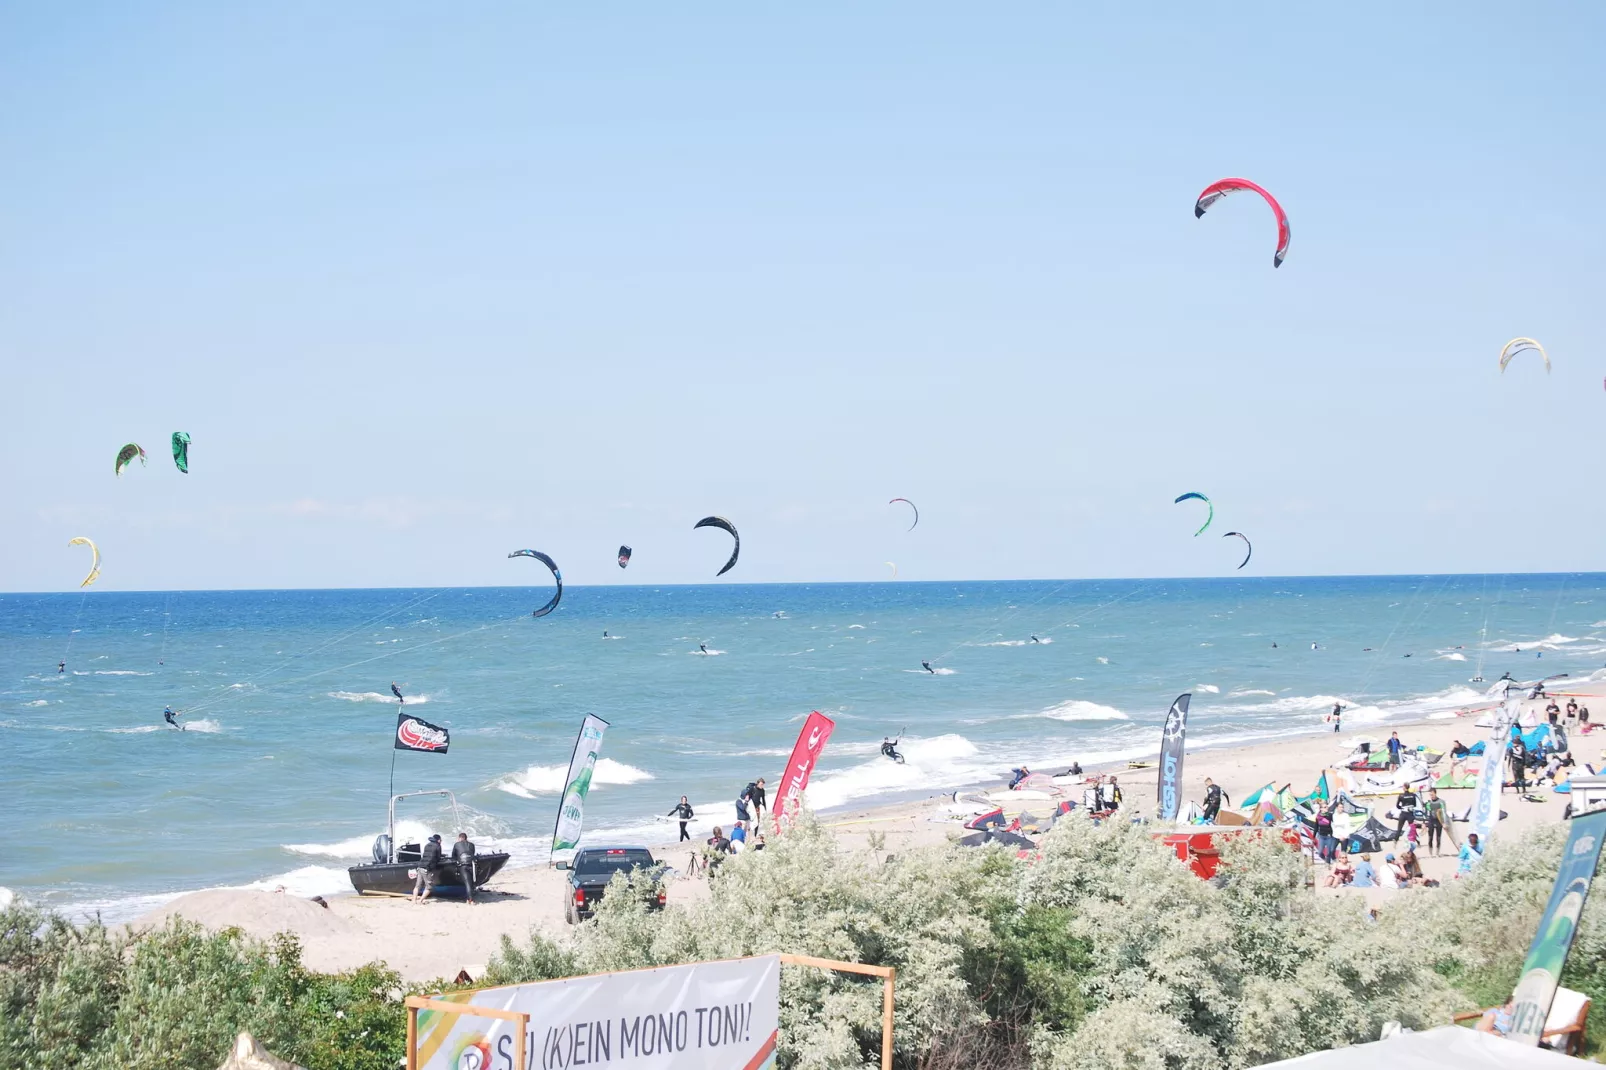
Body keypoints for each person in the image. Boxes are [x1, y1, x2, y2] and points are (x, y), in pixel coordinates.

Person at [411, 834, 443, 904]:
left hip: (420, 866)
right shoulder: (438, 846)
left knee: (417, 885)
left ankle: (414, 900)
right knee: (429, 887)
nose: (441, 841)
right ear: (438, 840)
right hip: (427, 868)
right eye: (440, 840)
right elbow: (438, 858)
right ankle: (420, 900)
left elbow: (426, 855)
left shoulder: (427, 845)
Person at [1423, 788, 1453, 855]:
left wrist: (1444, 823)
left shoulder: (1441, 802)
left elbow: (1444, 813)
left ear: (1435, 793)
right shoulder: (1429, 803)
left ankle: (1437, 853)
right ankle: (1430, 853)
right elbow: (1426, 814)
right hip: (1431, 820)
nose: (1431, 796)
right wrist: (1424, 823)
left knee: (1438, 837)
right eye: (1430, 795)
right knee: (1430, 837)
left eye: (1432, 794)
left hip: (1439, 820)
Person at [451, 832, 477, 904]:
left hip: (462, 866)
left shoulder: (456, 844)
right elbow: (472, 853)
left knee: (467, 883)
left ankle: (470, 900)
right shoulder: (472, 845)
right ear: (466, 838)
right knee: (470, 882)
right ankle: (468, 899)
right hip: (471, 865)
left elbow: (453, 856)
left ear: (459, 838)